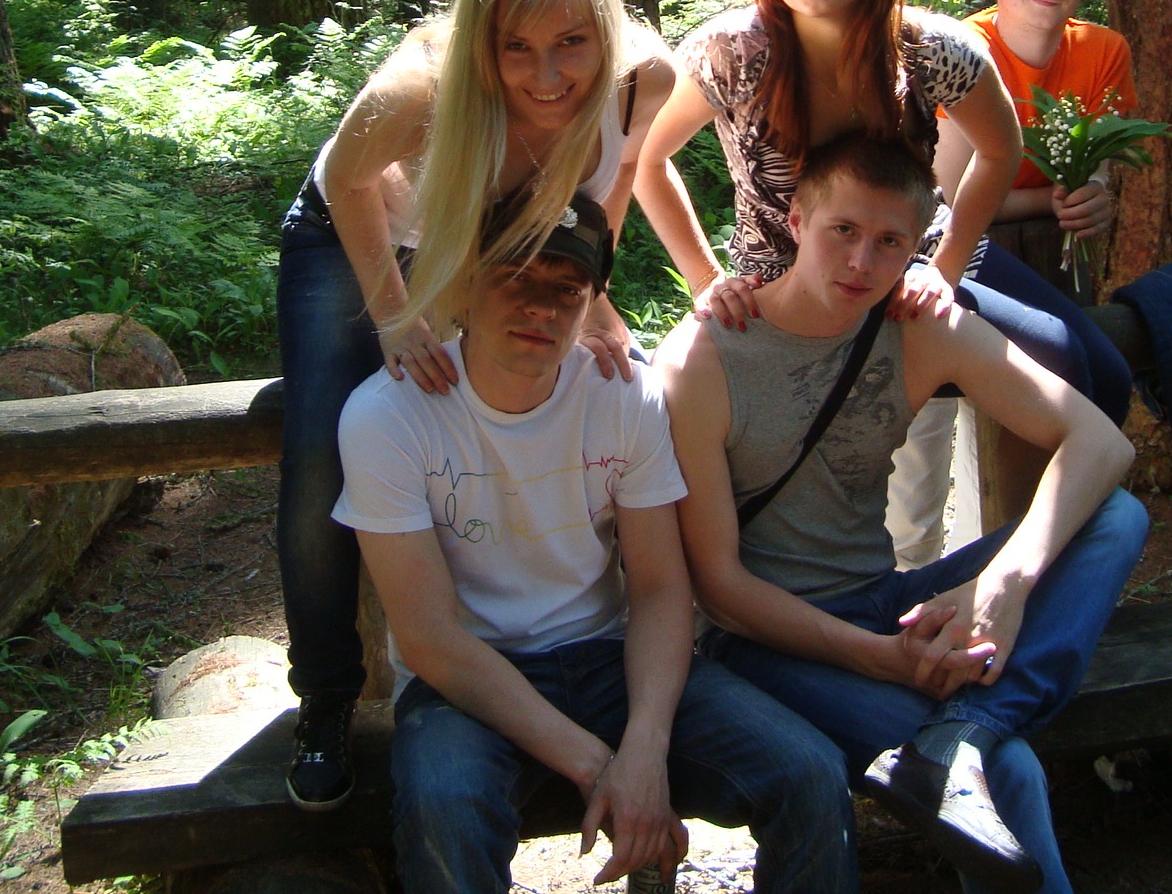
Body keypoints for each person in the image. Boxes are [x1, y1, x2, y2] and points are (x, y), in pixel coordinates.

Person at [655, 133, 1147, 894]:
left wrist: (1004, 585)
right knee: (1011, 770)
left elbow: (1102, 443)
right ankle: (976, 737)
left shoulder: (919, 324)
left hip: (886, 600)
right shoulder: (708, 355)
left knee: (1115, 517)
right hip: (762, 638)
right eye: (842, 231)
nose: (861, 262)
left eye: (889, 242)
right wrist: (879, 658)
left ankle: (968, 729)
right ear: (796, 222)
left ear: (918, 247)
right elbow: (718, 587)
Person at [335, 190, 858, 894]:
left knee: (811, 773)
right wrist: (600, 766)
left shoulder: (622, 395)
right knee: (446, 810)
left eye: (567, 288)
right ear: (463, 283)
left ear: (591, 302)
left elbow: (660, 588)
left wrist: (645, 745)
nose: (541, 308)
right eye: (515, 277)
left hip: (609, 658)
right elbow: (430, 641)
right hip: (467, 681)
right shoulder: (388, 416)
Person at [276, 0, 675, 810]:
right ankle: (327, 694)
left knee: (603, 386)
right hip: (359, 231)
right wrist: (393, 315)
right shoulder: (419, 91)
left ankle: (596, 649)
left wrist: (595, 296)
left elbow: (608, 190)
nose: (547, 76)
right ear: (481, 41)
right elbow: (346, 178)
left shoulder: (640, 82)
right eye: (516, 49)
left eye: (571, 44)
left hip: (492, 240)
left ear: (606, 29)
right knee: (322, 446)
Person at [634, 0, 1115, 564]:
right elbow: (646, 160)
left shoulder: (932, 50)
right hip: (779, 283)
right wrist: (707, 280)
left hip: (908, 272)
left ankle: (1007, 567)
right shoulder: (734, 52)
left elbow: (1001, 148)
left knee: (1078, 360)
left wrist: (943, 269)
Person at [891, 0, 1139, 567]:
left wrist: (1094, 198)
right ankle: (905, 573)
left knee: (1029, 417)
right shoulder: (960, 49)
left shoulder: (1103, 52)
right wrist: (1047, 203)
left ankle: (989, 568)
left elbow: (1100, 167)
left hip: (1047, 265)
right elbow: (944, 197)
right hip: (935, 257)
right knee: (924, 427)